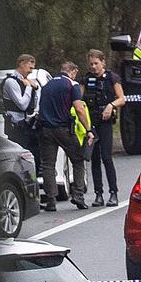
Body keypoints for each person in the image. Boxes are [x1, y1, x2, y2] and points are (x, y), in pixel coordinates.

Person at [38, 60, 94, 212]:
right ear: (73, 71)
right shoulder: (72, 85)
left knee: (48, 165)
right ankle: (78, 195)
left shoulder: (47, 86)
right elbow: (79, 108)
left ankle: (50, 200)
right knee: (77, 160)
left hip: (46, 130)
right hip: (63, 129)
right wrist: (88, 129)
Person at [82, 49, 125, 207]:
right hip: (91, 121)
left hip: (105, 121)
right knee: (94, 159)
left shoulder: (111, 78)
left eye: (96, 63)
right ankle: (98, 194)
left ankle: (113, 192)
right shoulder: (86, 79)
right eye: (91, 64)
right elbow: (80, 101)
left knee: (106, 157)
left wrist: (110, 105)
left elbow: (122, 99)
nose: (94, 67)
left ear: (103, 63)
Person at [1, 53, 41, 172]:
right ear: (21, 64)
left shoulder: (25, 81)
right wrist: (29, 87)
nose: (31, 71)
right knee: (19, 156)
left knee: (34, 153)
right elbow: (22, 104)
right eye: (30, 68)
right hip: (16, 126)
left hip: (26, 124)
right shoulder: (11, 82)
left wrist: (36, 88)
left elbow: (33, 104)